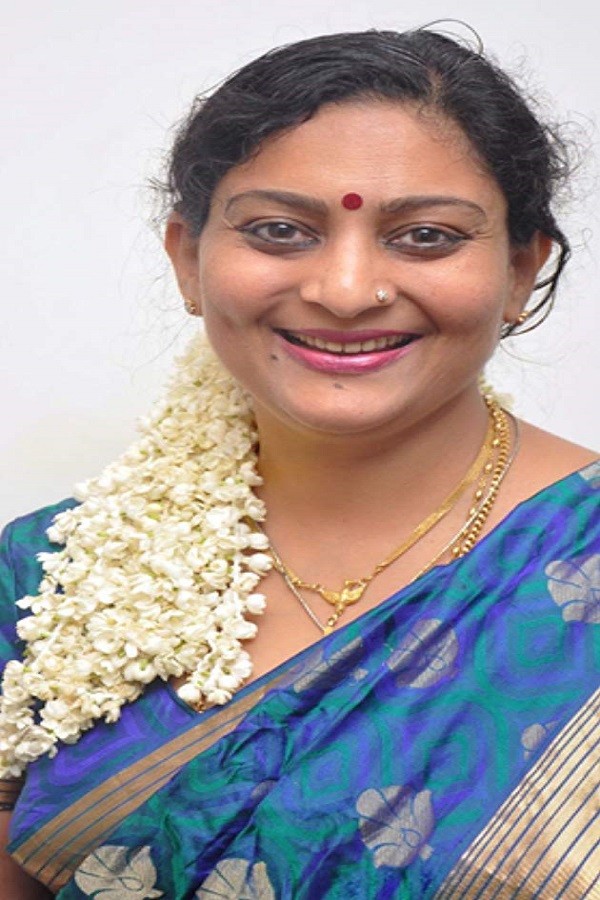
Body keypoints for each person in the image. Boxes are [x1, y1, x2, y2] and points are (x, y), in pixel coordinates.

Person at [0, 26, 598, 899]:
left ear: (520, 270)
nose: (346, 291)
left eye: (426, 236)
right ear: (187, 260)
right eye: (280, 230)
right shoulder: (52, 577)